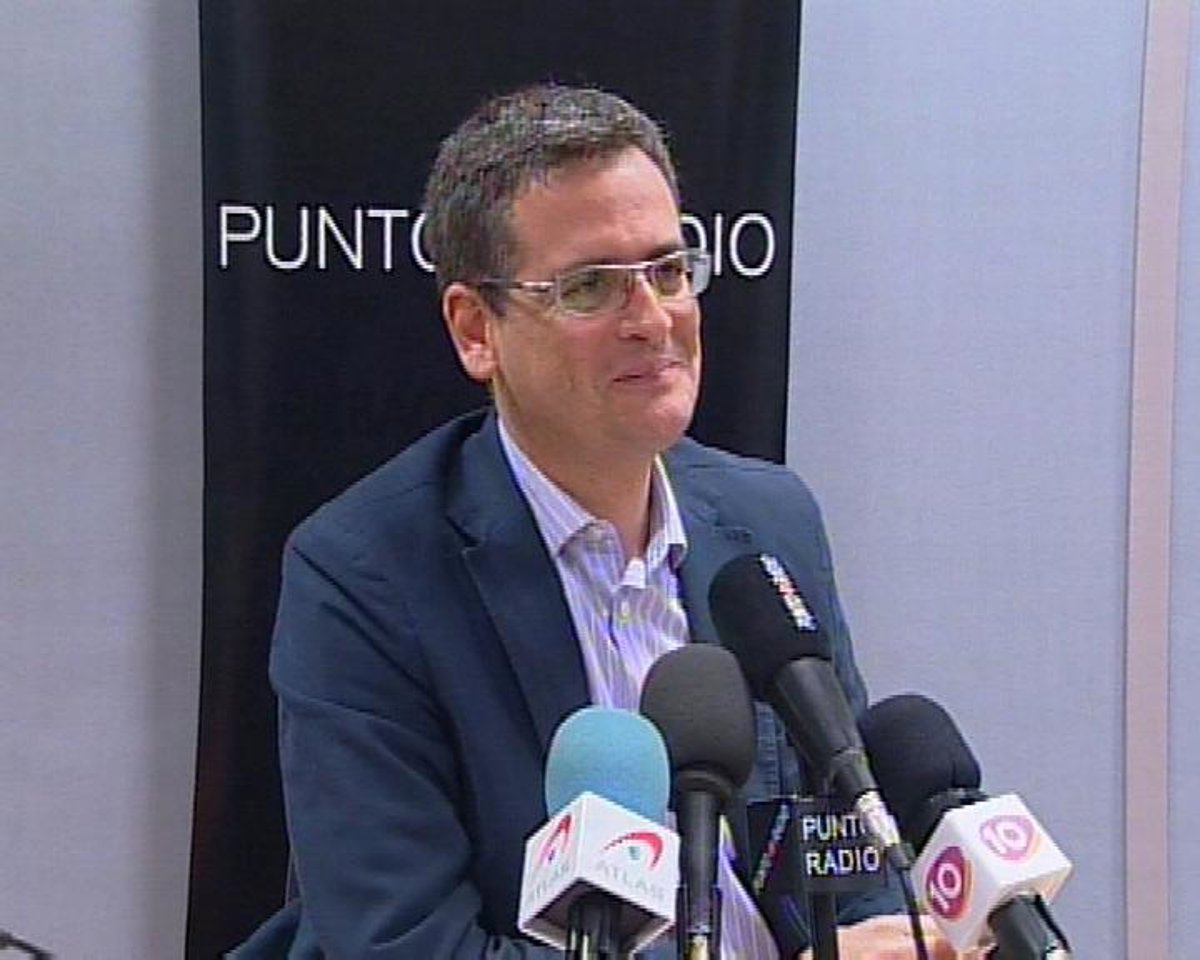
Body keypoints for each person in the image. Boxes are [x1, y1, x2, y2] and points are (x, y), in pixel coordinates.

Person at [233, 85, 957, 959]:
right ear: (476, 329)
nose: (652, 320)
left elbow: (847, 845)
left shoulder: (770, 522)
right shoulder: (366, 574)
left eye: (668, 270)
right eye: (589, 287)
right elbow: (407, 947)